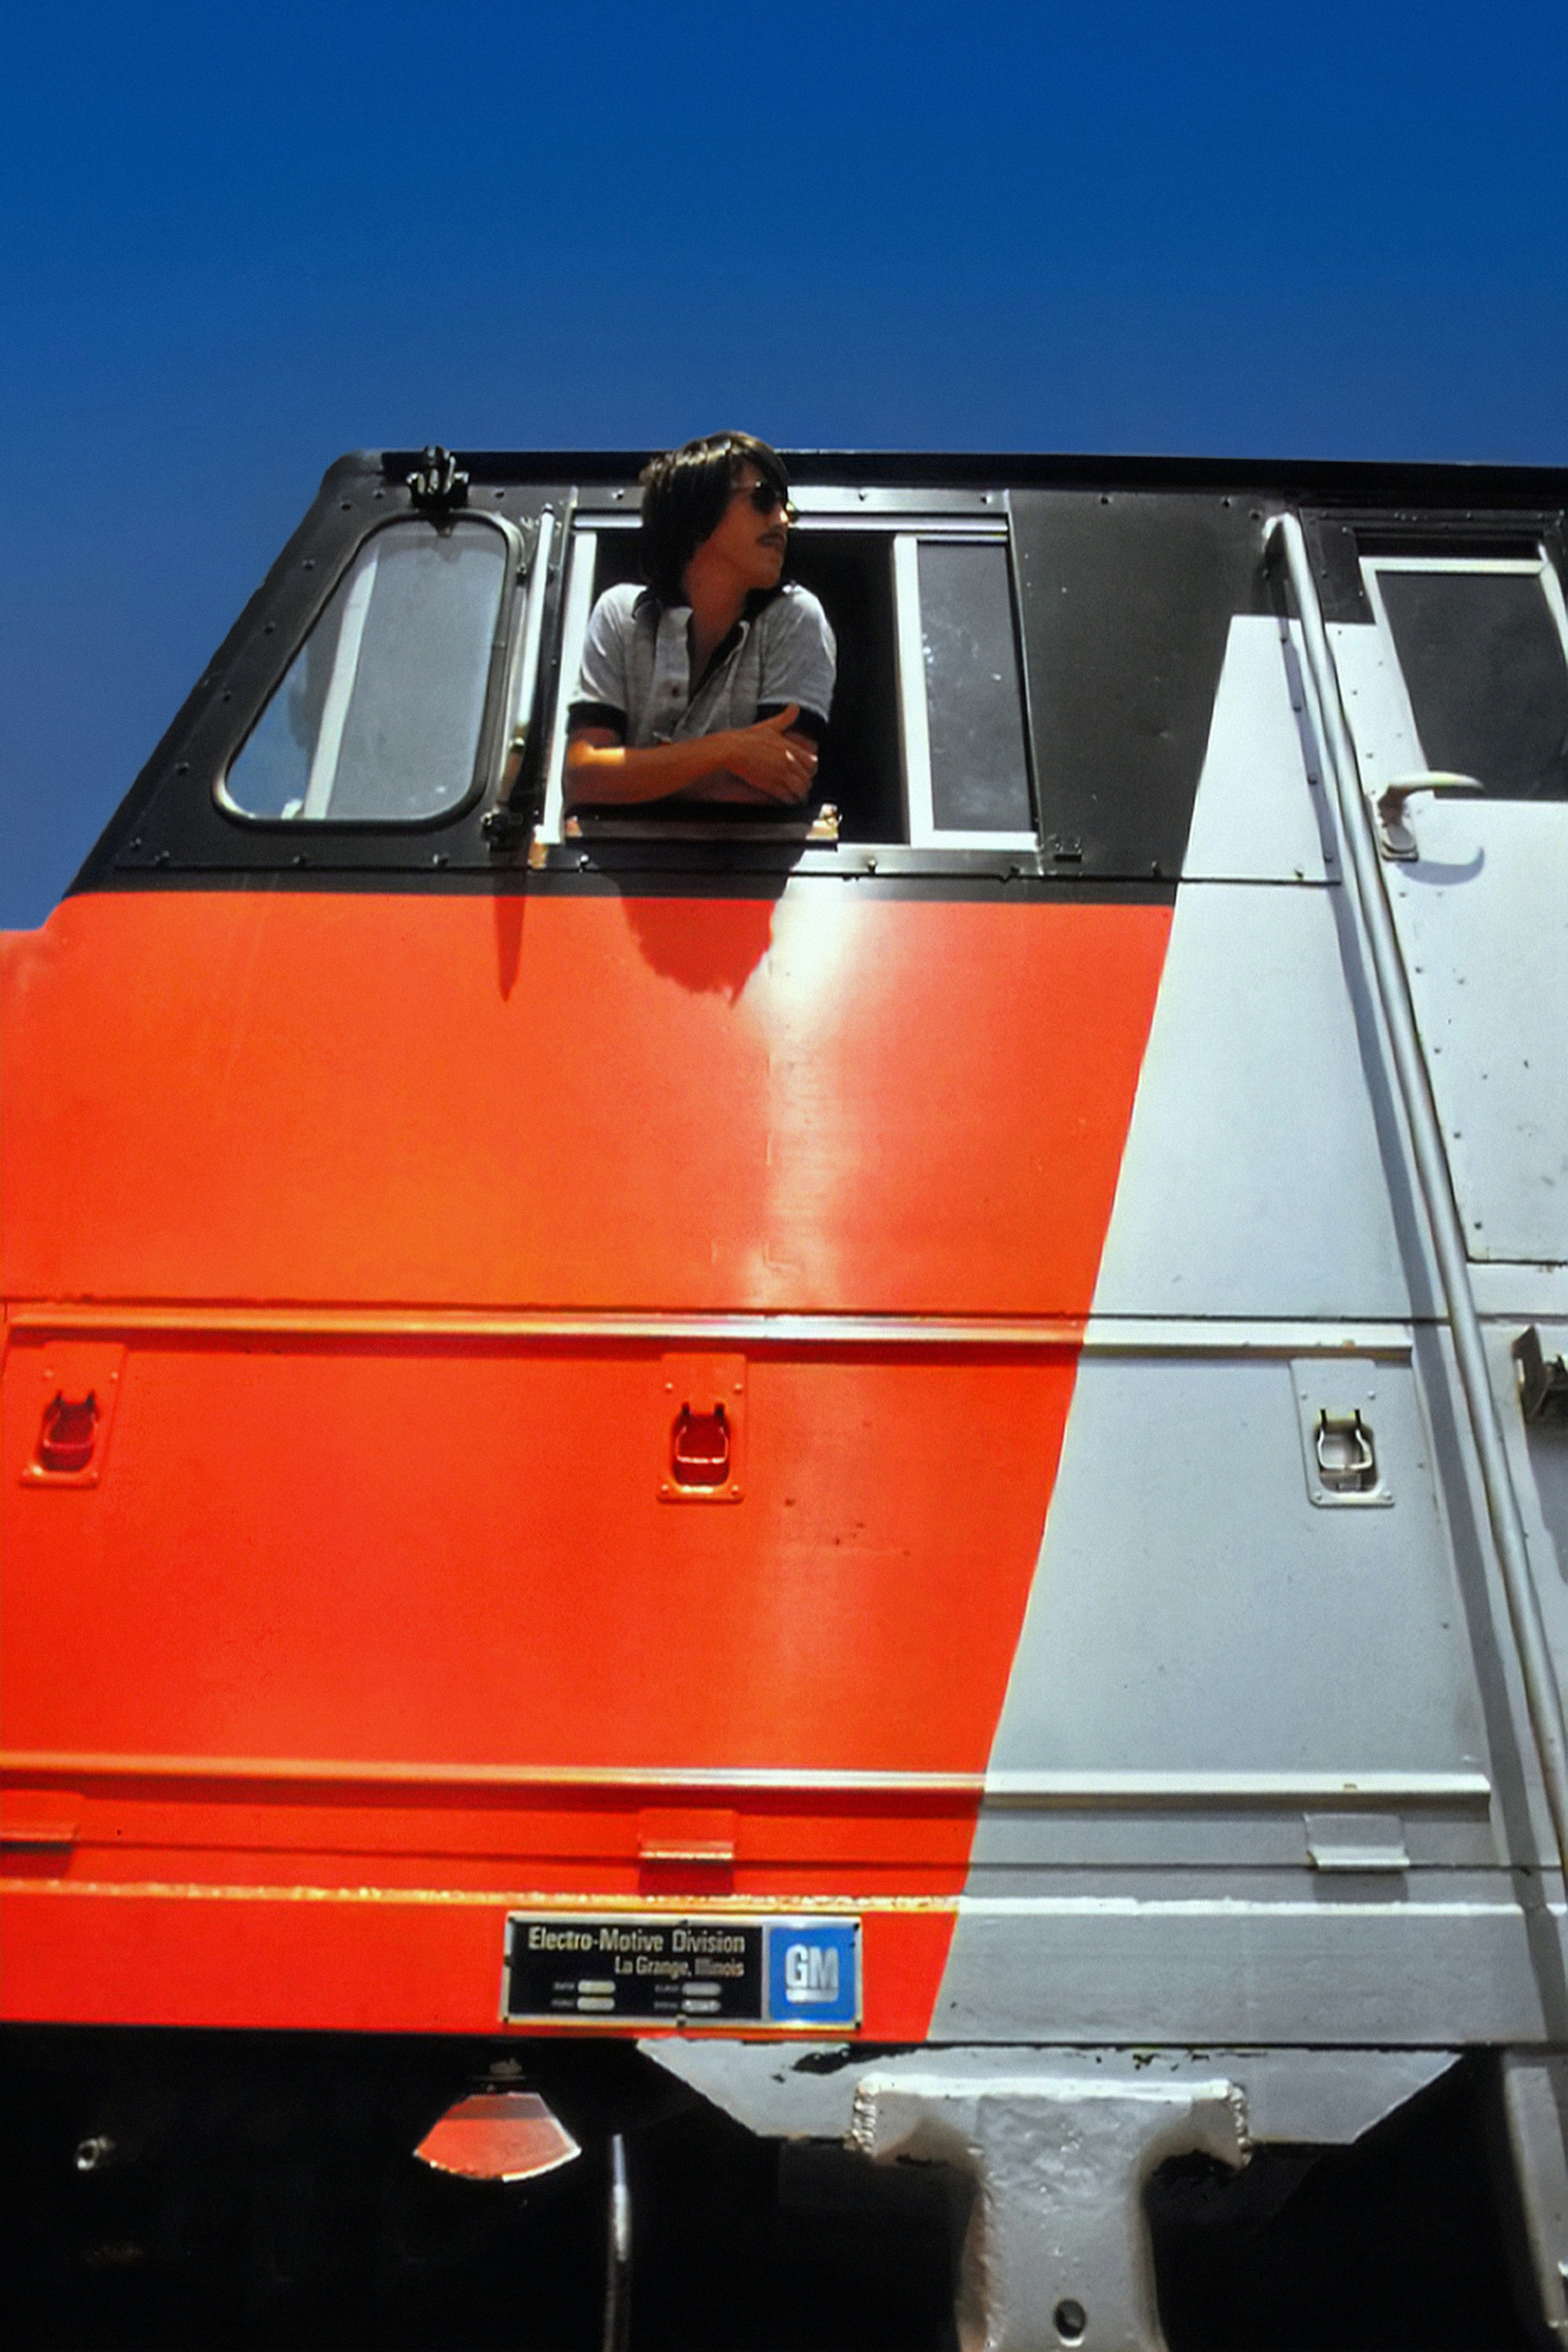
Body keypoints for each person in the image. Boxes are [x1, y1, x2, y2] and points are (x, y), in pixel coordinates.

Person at [565, 433, 835, 809]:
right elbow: (582, 777)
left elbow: (778, 786)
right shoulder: (620, 614)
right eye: (762, 499)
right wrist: (728, 750)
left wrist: (635, 775)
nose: (783, 519)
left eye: (786, 505)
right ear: (695, 516)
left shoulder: (795, 619)